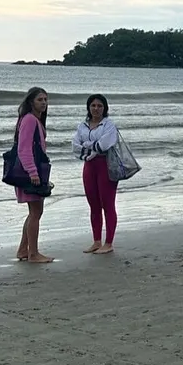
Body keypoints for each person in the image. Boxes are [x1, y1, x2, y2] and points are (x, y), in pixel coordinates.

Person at [72, 94, 121, 254]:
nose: (96, 108)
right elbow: (75, 146)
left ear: (104, 108)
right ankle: (96, 241)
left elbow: (105, 144)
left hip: (105, 166)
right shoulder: (82, 126)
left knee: (107, 204)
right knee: (93, 205)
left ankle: (109, 243)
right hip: (89, 167)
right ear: (88, 107)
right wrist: (91, 149)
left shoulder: (109, 125)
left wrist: (88, 146)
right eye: (93, 105)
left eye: (100, 106)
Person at [14, 86, 54, 263]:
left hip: (34, 171)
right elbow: (23, 149)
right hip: (31, 173)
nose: (44, 103)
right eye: (40, 99)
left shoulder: (34, 119)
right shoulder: (29, 119)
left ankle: (23, 249)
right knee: (36, 211)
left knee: (34, 212)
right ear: (31, 102)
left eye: (45, 99)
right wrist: (32, 172)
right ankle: (33, 254)